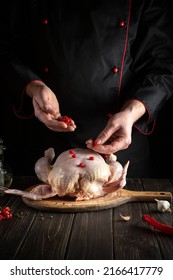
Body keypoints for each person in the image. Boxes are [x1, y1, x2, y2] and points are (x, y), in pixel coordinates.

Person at [0, 0, 173, 177]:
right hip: (46, 151)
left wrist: (132, 111)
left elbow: (163, 64)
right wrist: (34, 87)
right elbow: (4, 50)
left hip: (119, 151)